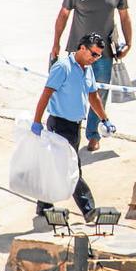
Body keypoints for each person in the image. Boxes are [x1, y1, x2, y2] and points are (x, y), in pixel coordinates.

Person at [50, 0, 131, 152]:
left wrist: (129, 43)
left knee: (99, 93)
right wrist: (56, 44)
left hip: (104, 55)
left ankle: (93, 134)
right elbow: (63, 15)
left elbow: (124, 16)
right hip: (79, 54)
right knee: (72, 92)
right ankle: (69, 130)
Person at [32, 33, 117, 222]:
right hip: (59, 125)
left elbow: (93, 96)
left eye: (99, 56)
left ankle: (44, 204)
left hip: (75, 127)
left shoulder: (87, 69)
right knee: (72, 167)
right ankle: (88, 209)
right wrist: (36, 121)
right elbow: (46, 94)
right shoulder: (63, 67)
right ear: (82, 48)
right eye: (94, 54)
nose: (96, 59)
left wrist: (104, 119)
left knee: (57, 166)